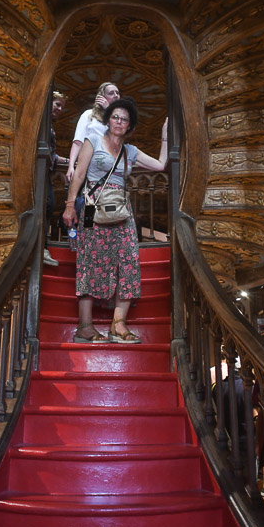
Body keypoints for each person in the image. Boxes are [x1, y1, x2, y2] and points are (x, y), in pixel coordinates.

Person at [62, 97, 167, 343]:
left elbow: (161, 166)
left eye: (125, 119)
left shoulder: (130, 151)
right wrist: (69, 206)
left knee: (129, 261)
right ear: (108, 120)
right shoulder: (93, 141)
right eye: (115, 117)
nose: (119, 121)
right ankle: (85, 327)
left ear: (130, 126)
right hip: (90, 208)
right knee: (89, 260)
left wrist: (165, 134)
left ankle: (118, 325)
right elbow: (78, 174)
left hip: (121, 210)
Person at [66, 81, 120, 185]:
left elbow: (118, 136)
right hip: (88, 163)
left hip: (110, 165)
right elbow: (78, 141)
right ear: (102, 96)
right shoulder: (88, 114)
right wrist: (71, 166)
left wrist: (108, 110)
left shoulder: (120, 120)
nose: (116, 95)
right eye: (111, 93)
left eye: (117, 93)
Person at [44, 91, 68, 267]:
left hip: (47, 172)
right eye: (57, 104)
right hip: (41, 173)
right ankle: (41, 247)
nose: (59, 109)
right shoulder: (42, 124)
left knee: (49, 206)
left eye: (61, 107)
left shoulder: (48, 126)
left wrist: (69, 161)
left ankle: (42, 247)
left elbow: (51, 153)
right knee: (45, 206)